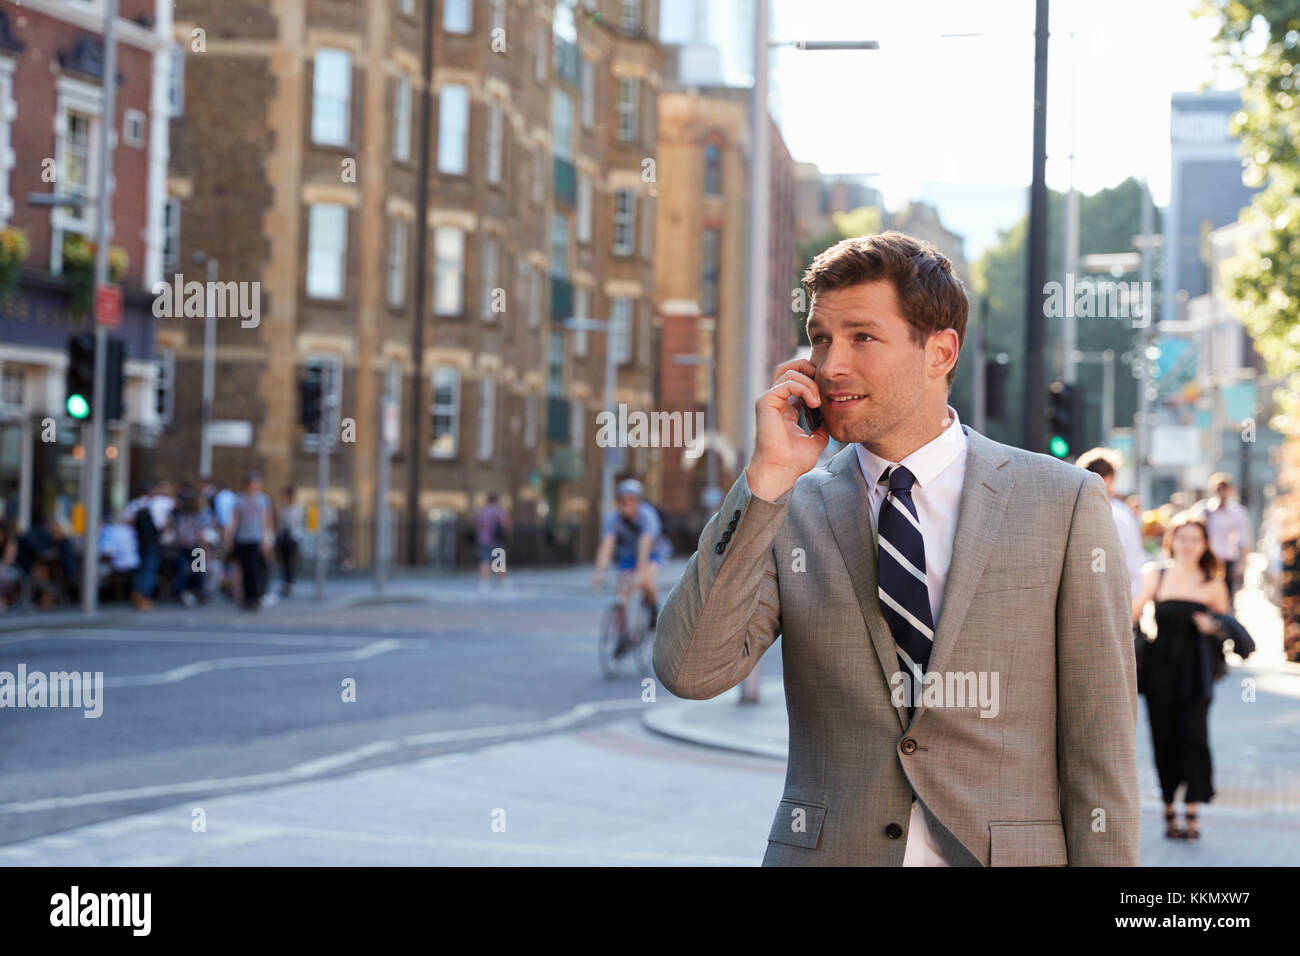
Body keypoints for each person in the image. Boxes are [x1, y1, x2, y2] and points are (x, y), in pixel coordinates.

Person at [654, 231, 1139, 866]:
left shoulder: (1063, 502)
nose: (830, 366)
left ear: (940, 351)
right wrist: (766, 480)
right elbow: (689, 670)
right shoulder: (788, 507)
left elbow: (1099, 738)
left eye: (862, 337)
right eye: (820, 337)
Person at [1130, 512, 1231, 841]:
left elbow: (1228, 627)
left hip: (1197, 671)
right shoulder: (1155, 574)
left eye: (1195, 539)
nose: (1188, 545)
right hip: (1160, 669)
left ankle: (1193, 809)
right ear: (1171, 540)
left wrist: (1213, 626)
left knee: (1195, 737)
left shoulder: (1213, 583)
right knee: (1164, 738)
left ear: (1204, 545)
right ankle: (1169, 810)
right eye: (1182, 538)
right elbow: (1131, 613)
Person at [593, 478, 666, 637]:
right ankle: (623, 633)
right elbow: (607, 546)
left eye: (631, 500)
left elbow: (644, 545)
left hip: (653, 552)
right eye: (623, 500)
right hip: (628, 553)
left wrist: (639, 573)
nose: (627, 504)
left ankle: (654, 609)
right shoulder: (613, 519)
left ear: (638, 501)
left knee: (645, 578)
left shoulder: (647, 515)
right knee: (623, 591)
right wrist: (599, 573)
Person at [1076, 448, 1145, 601]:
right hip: (1116, 601)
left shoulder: (1072, 511)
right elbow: (1134, 566)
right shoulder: (1121, 515)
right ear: (1109, 480)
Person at [1194, 473, 1252, 603]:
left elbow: (1244, 540)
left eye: (1225, 489)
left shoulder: (1238, 513)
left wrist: (1242, 564)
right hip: (1206, 560)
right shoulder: (1202, 511)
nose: (1222, 493)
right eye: (1218, 489)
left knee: (1225, 600)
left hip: (1227, 561)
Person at [223, 472, 273, 610]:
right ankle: (246, 597)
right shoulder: (239, 500)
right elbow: (234, 519)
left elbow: (266, 521)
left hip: (255, 538)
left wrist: (267, 539)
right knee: (243, 569)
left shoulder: (263, 500)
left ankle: (254, 596)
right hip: (241, 538)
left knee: (254, 569)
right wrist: (229, 536)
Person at [171, 485, 212, 607]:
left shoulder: (181, 516)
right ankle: (196, 592)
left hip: (184, 545)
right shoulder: (200, 516)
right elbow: (202, 534)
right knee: (197, 571)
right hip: (196, 546)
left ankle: (184, 591)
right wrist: (206, 548)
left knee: (185, 570)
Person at [474, 493, 511, 591]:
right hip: (497, 539)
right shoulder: (500, 511)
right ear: (497, 500)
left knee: (484, 561)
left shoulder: (481, 511)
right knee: (499, 561)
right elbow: (506, 524)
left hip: (483, 540)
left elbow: (477, 526)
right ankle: (503, 582)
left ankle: (484, 583)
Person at [275, 486, 303, 597]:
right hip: (282, 538)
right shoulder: (281, 508)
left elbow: (292, 522)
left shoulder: (296, 508)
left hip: (292, 538)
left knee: (290, 562)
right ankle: (285, 584)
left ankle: (290, 584)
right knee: (283, 562)